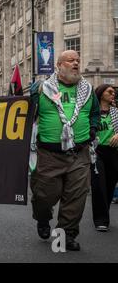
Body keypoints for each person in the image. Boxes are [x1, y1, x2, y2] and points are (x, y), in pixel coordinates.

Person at [30, 50, 100, 251]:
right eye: (71, 60)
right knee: (44, 195)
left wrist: (93, 129)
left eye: (78, 60)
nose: (76, 63)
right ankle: (43, 219)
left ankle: (65, 236)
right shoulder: (41, 88)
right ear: (59, 65)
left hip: (79, 153)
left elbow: (94, 114)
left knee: (75, 198)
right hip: (49, 154)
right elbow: (26, 114)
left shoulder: (88, 90)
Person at [90, 84, 118, 232]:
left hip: (113, 153)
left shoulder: (116, 112)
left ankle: (103, 211)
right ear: (101, 94)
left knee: (109, 184)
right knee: (98, 185)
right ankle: (101, 220)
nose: (113, 94)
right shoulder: (92, 112)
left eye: (114, 92)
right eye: (110, 92)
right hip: (97, 152)